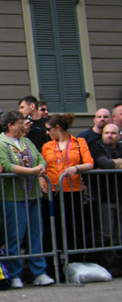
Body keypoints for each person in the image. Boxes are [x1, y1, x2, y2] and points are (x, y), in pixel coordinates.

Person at [0, 111, 54, 288]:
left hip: (33, 195)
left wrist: (41, 166)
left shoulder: (27, 142)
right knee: (14, 236)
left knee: (36, 234)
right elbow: (5, 166)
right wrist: (33, 172)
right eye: (21, 122)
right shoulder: (0, 144)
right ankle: (15, 274)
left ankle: (39, 272)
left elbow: (40, 157)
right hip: (12, 197)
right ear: (10, 125)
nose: (24, 125)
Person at [42, 113, 94, 263]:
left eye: (49, 129)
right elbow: (43, 168)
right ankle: (55, 264)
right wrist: (42, 186)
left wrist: (76, 168)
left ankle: (75, 261)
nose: (47, 132)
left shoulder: (79, 142)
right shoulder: (47, 146)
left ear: (57, 128)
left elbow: (89, 163)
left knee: (74, 228)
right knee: (54, 229)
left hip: (74, 191)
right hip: (53, 192)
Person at [88, 123, 122, 268]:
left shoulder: (120, 147)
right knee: (105, 234)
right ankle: (104, 265)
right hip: (103, 197)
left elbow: (108, 164)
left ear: (119, 136)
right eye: (106, 133)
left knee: (118, 236)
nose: (109, 135)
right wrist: (115, 164)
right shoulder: (97, 147)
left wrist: (114, 163)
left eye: (113, 133)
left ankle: (115, 265)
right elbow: (105, 164)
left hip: (119, 197)